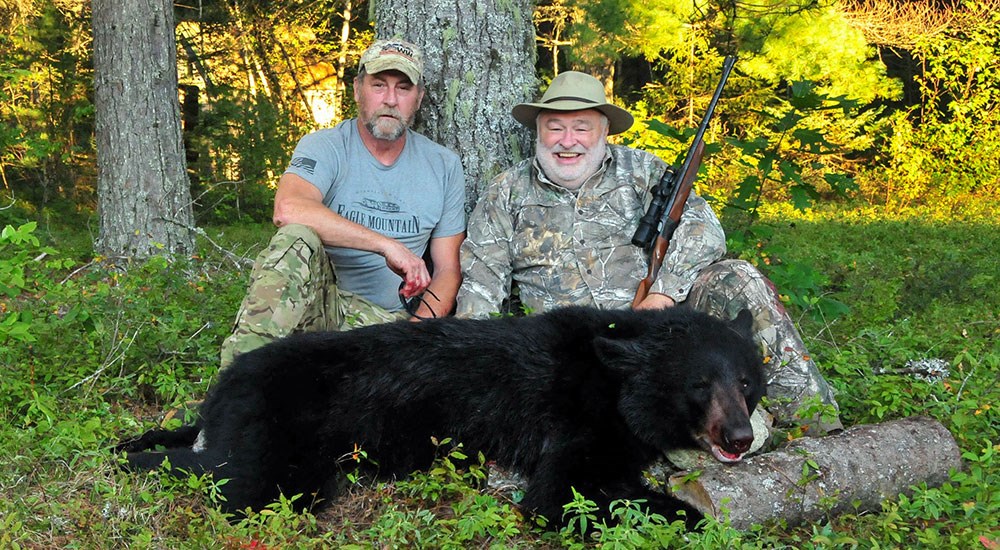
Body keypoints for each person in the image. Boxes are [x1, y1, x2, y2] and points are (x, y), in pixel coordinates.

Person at [456, 70, 841, 434]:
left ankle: (818, 423)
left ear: (604, 131)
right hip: (572, 355)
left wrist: (661, 294)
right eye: (554, 127)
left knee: (736, 276)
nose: (566, 140)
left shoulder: (641, 171)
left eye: (581, 127)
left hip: (670, 336)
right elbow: (480, 286)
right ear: (538, 132)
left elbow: (704, 229)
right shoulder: (505, 193)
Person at [221, 39, 467, 368]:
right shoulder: (326, 146)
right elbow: (288, 209)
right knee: (296, 237)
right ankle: (237, 386)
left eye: (403, 88)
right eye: (378, 85)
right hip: (320, 307)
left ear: (419, 98)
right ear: (357, 89)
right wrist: (385, 245)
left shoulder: (444, 166)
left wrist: (416, 338)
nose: (390, 100)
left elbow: (448, 270)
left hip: (388, 324)